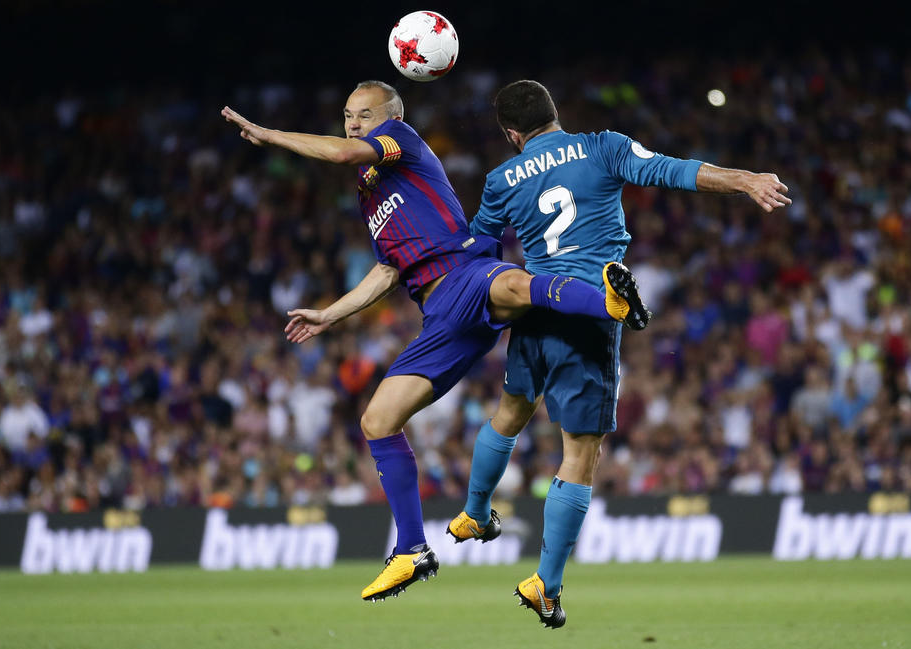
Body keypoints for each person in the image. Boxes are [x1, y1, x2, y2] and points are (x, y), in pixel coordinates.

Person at [221, 80, 647, 602]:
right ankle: (412, 550)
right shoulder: (369, 191)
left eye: (364, 115)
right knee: (377, 420)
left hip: (464, 272)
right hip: (440, 316)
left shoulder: (400, 141)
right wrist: (331, 314)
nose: (353, 124)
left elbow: (342, 152)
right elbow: (388, 269)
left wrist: (269, 135)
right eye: (348, 115)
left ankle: (611, 304)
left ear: (391, 117)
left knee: (514, 284)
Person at [446, 80, 791, 628]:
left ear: (512, 134)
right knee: (580, 453)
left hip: (536, 303)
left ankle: (472, 511)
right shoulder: (602, 146)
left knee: (510, 412)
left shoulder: (500, 180)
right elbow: (674, 171)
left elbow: (477, 251)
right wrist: (744, 179)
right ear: (555, 112)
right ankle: (545, 585)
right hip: (590, 312)